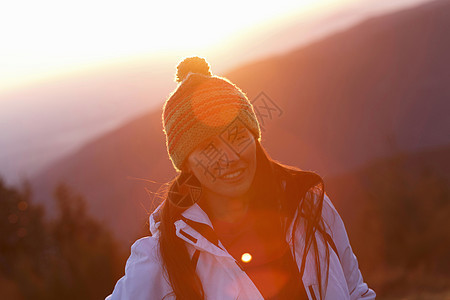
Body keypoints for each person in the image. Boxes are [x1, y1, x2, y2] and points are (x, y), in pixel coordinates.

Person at [106, 56, 376, 300]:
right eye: (207, 147)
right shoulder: (164, 258)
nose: (230, 156)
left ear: (254, 137)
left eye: (237, 135)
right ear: (186, 165)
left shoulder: (308, 207)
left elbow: (355, 292)